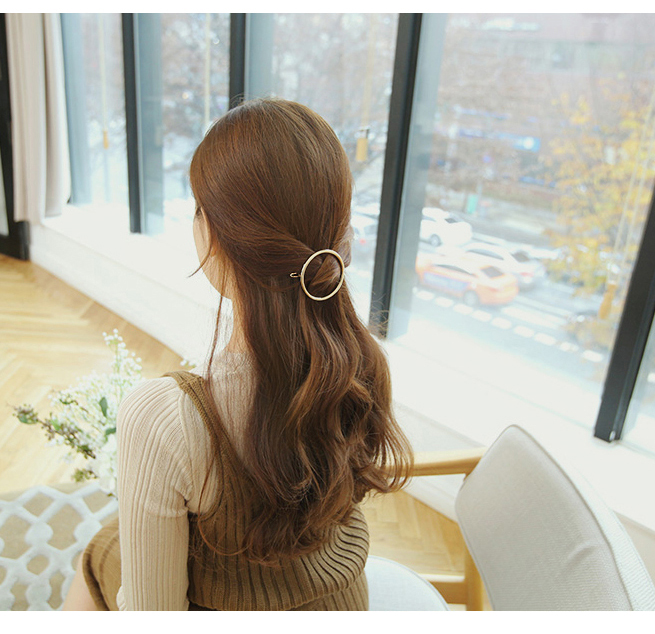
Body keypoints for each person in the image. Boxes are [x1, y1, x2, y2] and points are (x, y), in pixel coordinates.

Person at [62, 97, 413, 611]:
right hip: (341, 601)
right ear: (342, 235)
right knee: (112, 541)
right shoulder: (360, 362)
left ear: (217, 239)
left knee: (99, 555)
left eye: (198, 209)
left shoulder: (163, 417)